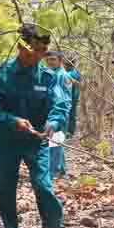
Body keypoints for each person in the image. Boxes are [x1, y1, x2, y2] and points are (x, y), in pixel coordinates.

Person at [0, 24, 70, 228]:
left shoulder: (49, 77)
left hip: (36, 140)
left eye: (42, 50)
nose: (36, 55)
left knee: (43, 184)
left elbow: (60, 105)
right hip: (4, 141)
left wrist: (53, 122)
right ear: (21, 46)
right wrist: (13, 121)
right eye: (31, 49)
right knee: (3, 187)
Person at [44, 51, 71, 179]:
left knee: (55, 142)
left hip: (59, 114)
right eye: (48, 59)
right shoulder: (49, 74)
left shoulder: (63, 76)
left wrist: (60, 116)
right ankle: (61, 170)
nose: (50, 62)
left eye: (53, 59)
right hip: (50, 112)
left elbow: (65, 99)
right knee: (56, 142)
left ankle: (54, 172)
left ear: (60, 61)